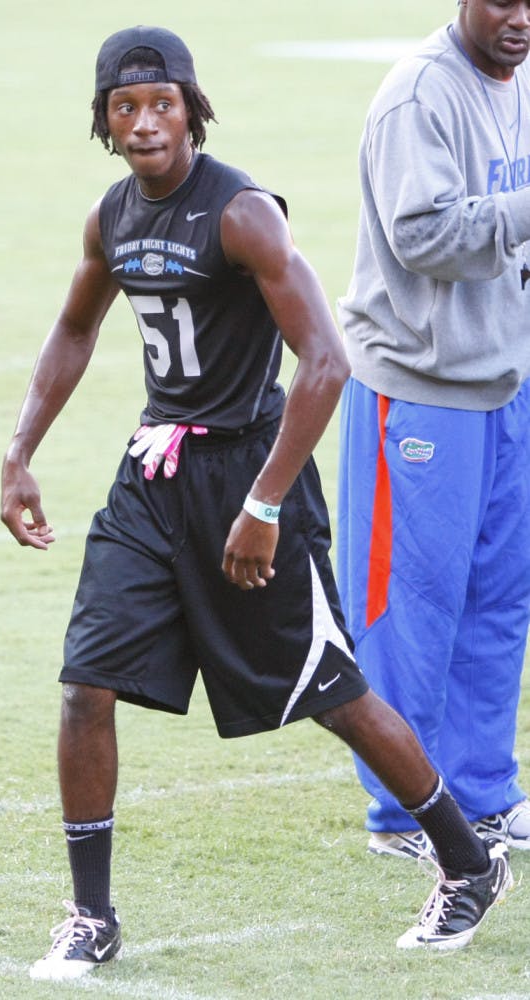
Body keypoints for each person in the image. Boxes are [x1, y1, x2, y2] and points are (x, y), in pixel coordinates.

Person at [1, 25, 512, 982]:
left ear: (193, 110)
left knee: (333, 695)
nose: (146, 122)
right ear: (104, 124)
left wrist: (265, 502)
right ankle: (90, 914)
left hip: (249, 475)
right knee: (84, 684)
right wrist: (19, 451)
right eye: (125, 107)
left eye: (163, 104)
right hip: (153, 476)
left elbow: (326, 360)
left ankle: (467, 861)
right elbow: (74, 330)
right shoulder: (109, 217)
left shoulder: (241, 214)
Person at [337, 0, 530, 865]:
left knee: (499, 600)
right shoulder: (421, 94)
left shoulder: (516, 85)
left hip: (503, 382)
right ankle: (401, 810)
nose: (519, 17)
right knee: (409, 609)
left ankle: (484, 794)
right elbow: (423, 237)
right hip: (418, 390)